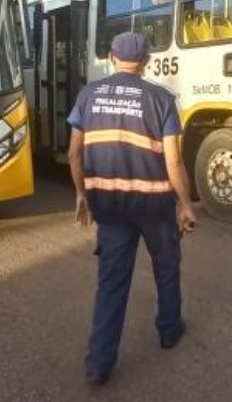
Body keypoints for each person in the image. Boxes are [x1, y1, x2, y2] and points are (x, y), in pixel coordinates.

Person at [67, 31, 197, 386]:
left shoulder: (88, 95)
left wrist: (81, 194)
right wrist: (185, 204)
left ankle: (99, 363)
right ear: (147, 62)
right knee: (167, 268)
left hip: (109, 205)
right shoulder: (161, 98)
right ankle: (169, 330)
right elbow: (173, 160)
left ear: (111, 57)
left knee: (111, 283)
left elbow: (74, 153)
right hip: (155, 206)